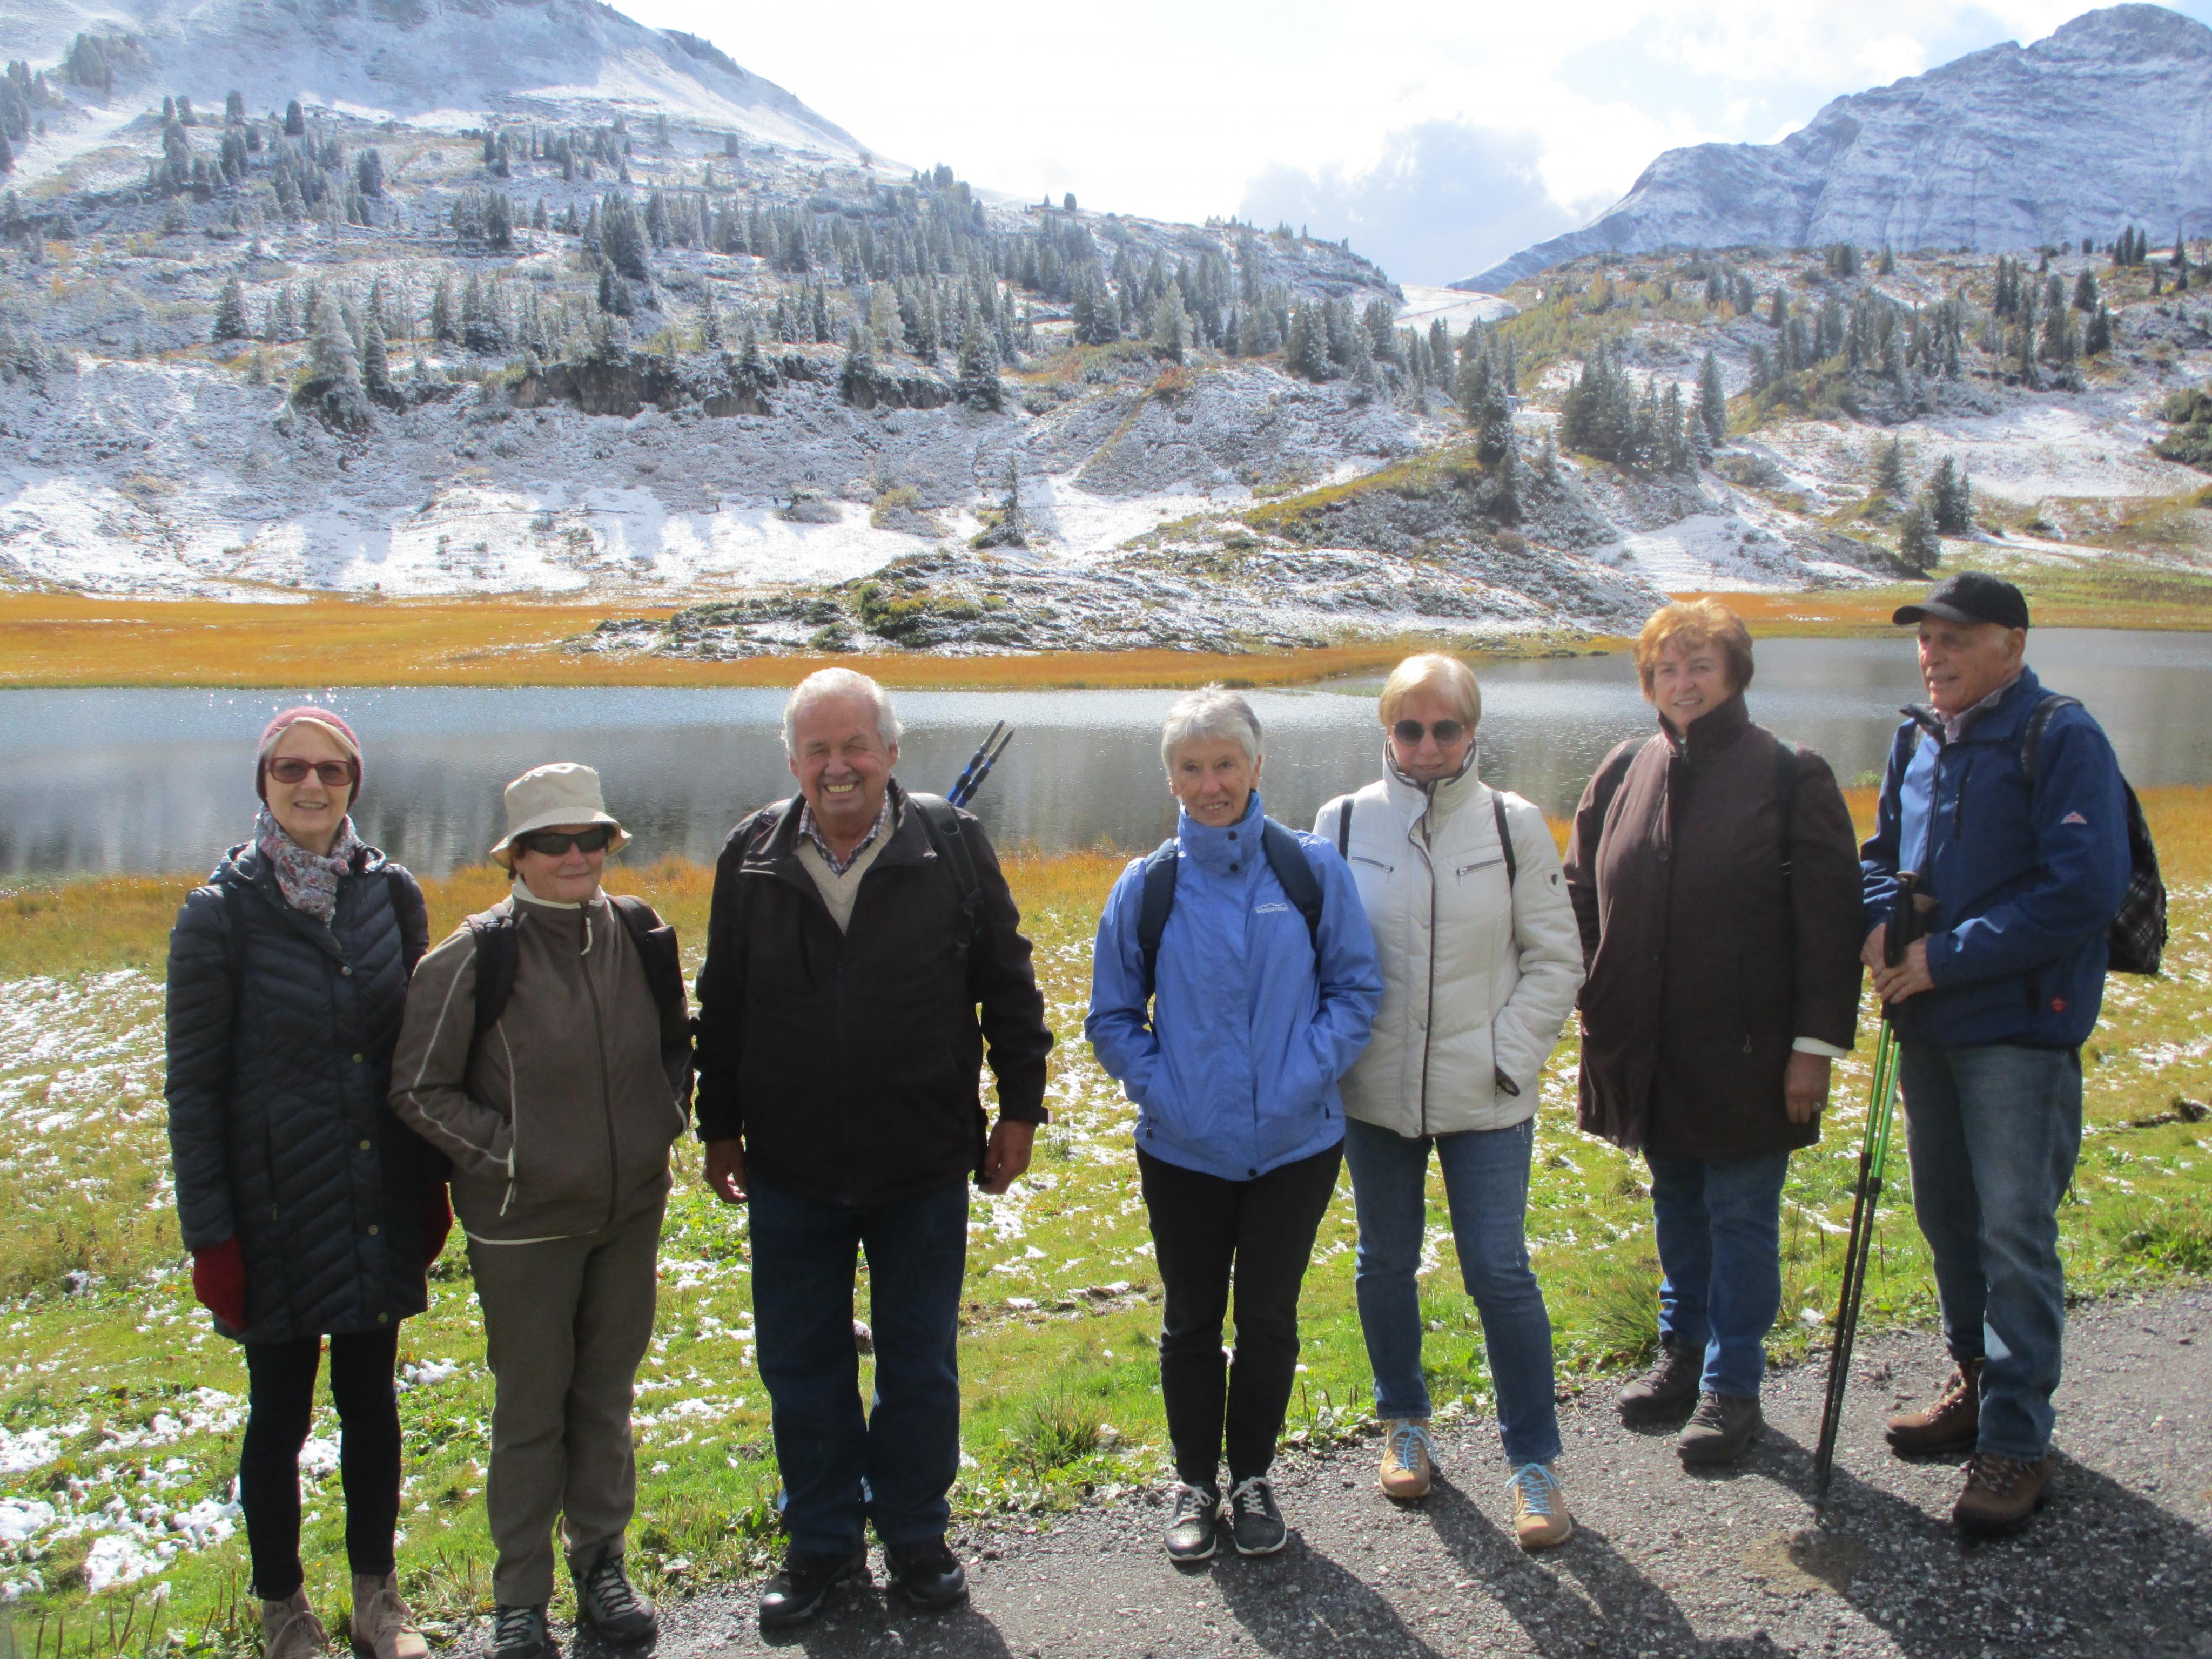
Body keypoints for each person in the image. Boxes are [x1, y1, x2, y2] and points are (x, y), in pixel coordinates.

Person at [692, 669, 1053, 1632]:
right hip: (790, 1166)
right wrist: (718, 1124)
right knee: (800, 1364)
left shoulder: (951, 842)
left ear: (891, 752)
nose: (838, 766)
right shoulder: (751, 853)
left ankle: (916, 1535)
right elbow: (723, 1003)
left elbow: (1007, 981)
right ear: (793, 762)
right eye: (817, 749)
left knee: (919, 1364)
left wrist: (1021, 1108)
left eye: (856, 745)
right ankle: (821, 1544)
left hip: (922, 1160)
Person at [391, 764, 692, 1659]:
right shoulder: (474, 955)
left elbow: (677, 1044)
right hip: (523, 1229)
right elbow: (418, 1088)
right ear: (516, 856)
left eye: (590, 838)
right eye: (553, 842)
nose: (575, 855)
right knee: (530, 1415)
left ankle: (602, 1568)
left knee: (605, 1401)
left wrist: (665, 1119)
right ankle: (519, 1599)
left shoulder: (639, 931)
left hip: (629, 1215)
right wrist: (516, 1158)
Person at [165, 707, 440, 1659]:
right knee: (278, 1414)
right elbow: (193, 1090)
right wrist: (211, 1237)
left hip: (375, 1198)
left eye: (331, 769)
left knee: (374, 1404)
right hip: (274, 1211)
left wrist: (429, 1184)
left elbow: (418, 1056)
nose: (312, 785)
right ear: (265, 782)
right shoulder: (218, 914)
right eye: (291, 769)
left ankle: (377, 1600)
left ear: (354, 781)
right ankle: (283, 1608)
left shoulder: (391, 894)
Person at [1563, 601, 1863, 1466]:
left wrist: (1813, 1049)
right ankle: (1682, 1354)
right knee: (1677, 1204)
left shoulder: (1789, 774)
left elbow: (1829, 925)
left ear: (1735, 673)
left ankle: (1734, 1386)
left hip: (1750, 1054)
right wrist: (1592, 987)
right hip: (1648, 1047)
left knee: (1739, 1216)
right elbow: (1578, 890)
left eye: (1700, 665)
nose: (1682, 683)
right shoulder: (1625, 769)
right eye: (1667, 668)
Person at [1861, 573, 2131, 1535]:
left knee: (2014, 1234)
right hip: (1930, 1027)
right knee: (1949, 1219)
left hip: (2018, 1030)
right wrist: (1877, 926)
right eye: (1925, 640)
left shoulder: (2062, 736)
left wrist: (1944, 958)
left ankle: (2018, 1440)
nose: (1933, 655)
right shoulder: (1916, 739)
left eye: (1956, 638)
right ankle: (1976, 1384)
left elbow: (2082, 891)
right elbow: (1880, 856)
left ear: (2011, 645)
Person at [1088, 685, 1382, 1563]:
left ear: (1257, 767)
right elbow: (1112, 1017)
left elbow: (1356, 990)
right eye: (1192, 767)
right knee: (1190, 1321)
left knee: (1268, 1319)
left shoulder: (1310, 870)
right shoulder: (1149, 886)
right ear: (1171, 779)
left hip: (1296, 1144)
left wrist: (1301, 1076)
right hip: (1183, 1148)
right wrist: (1166, 1092)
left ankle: (1252, 1478)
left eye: (1225, 764)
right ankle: (1194, 1483)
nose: (1210, 784)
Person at [1312, 654, 1584, 1547]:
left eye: (1447, 728)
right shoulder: (1340, 823)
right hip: (1373, 1093)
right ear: (1386, 731)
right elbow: (1320, 956)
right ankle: (1404, 1424)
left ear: (1472, 732)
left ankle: (1533, 1463)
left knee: (1500, 1271)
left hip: (1488, 1094)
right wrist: (1334, 1054)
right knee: (1384, 1262)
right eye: (1410, 728)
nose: (1428, 746)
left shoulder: (1513, 824)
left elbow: (1556, 960)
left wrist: (1508, 1057)